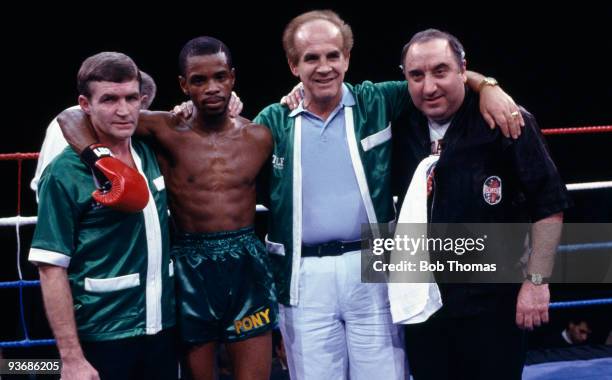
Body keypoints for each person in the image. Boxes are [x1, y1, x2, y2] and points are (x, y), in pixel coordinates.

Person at [254, 10, 524, 380]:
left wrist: (488, 86)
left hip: (375, 262)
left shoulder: (375, 101)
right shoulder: (272, 120)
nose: (324, 67)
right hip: (303, 274)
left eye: (333, 55)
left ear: (347, 58)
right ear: (293, 64)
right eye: (311, 58)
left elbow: (440, 80)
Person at [57, 37, 275, 380]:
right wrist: (99, 159)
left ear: (232, 78)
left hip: (246, 263)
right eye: (199, 80)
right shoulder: (164, 129)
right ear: (183, 84)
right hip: (189, 264)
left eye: (220, 77)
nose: (212, 88)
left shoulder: (261, 136)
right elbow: (70, 116)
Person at [395, 29, 571, 380]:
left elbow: (548, 204)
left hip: (493, 304)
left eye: (441, 71)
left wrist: (537, 281)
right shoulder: (400, 122)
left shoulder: (505, 121)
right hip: (423, 306)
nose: (429, 86)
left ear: (463, 70)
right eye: (417, 75)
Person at [28, 52, 176, 380]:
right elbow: (50, 267)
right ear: (85, 104)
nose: (123, 110)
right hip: (102, 334)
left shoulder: (150, 152)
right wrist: (71, 358)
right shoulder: (65, 172)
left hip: (162, 328)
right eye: (109, 99)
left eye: (130, 98)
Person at [30, 72, 157, 201]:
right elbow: (58, 179)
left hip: (66, 197)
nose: (125, 112)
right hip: (66, 199)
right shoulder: (75, 123)